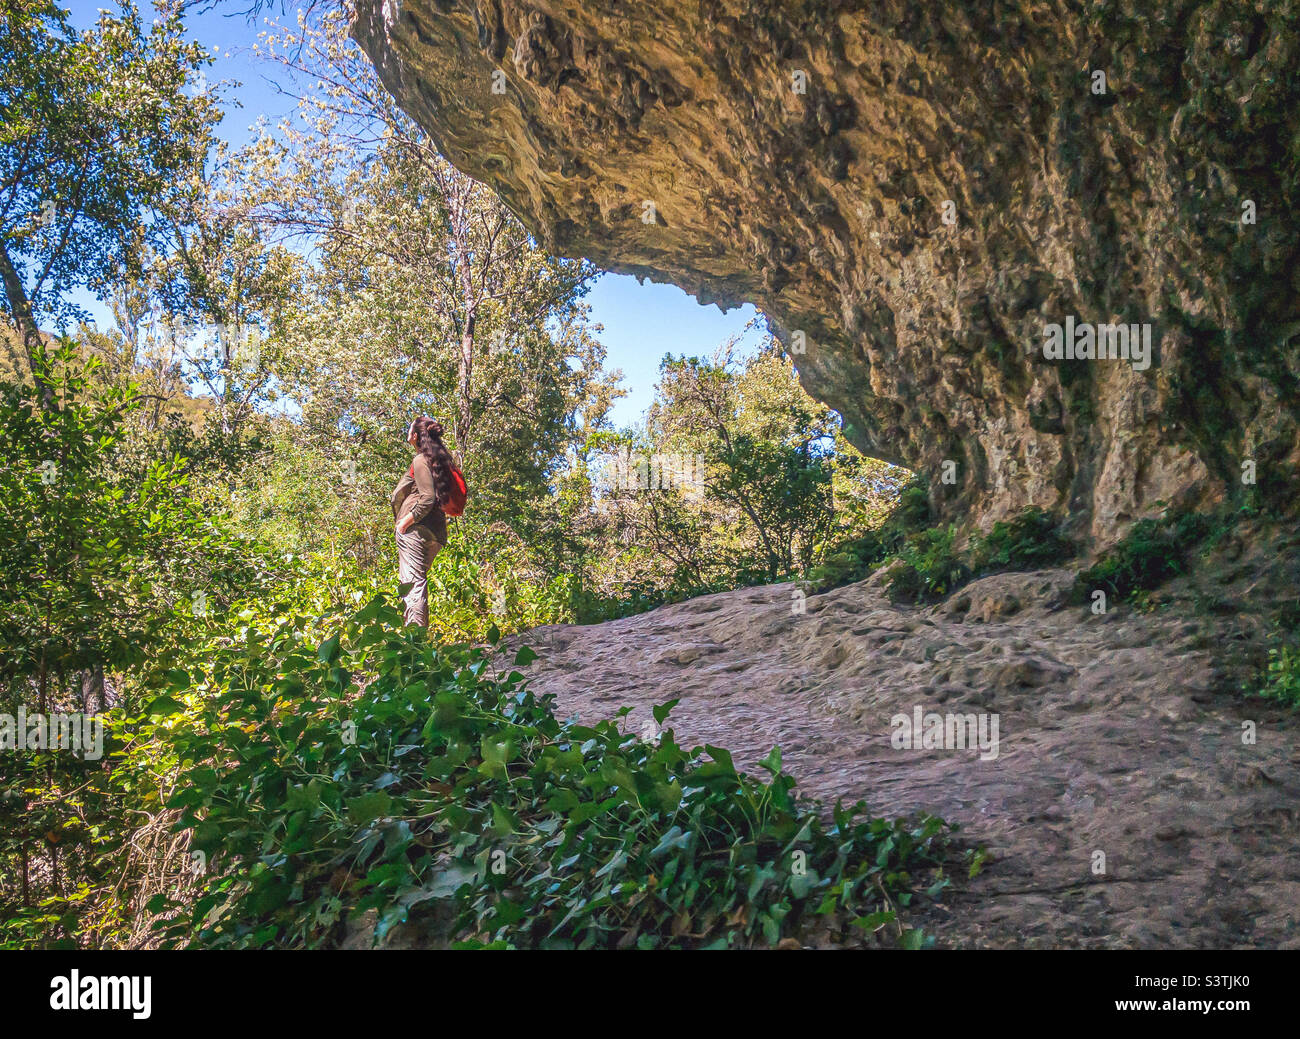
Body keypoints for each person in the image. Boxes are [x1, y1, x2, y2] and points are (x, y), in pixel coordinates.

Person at [391, 416, 453, 626]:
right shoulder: (439, 460)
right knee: (416, 581)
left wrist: (404, 523)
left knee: (412, 584)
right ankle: (415, 638)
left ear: (415, 436)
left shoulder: (421, 460)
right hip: (436, 532)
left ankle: (415, 644)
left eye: (409, 430)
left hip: (417, 530)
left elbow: (427, 498)